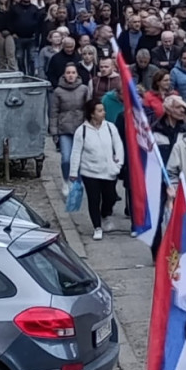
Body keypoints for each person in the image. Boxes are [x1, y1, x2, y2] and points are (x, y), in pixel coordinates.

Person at [69, 99, 125, 241]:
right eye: (100, 111)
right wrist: (73, 172)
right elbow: (76, 152)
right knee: (94, 199)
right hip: (90, 172)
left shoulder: (110, 127)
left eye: (103, 110)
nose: (103, 113)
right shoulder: (81, 131)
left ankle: (105, 214)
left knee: (110, 197)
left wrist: (118, 163)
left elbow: (118, 146)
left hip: (109, 170)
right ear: (92, 114)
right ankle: (97, 227)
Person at [50, 63, 90, 188]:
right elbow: (53, 112)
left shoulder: (84, 89)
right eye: (68, 73)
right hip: (64, 129)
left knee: (80, 158)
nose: (71, 75)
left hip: (81, 128)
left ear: (77, 74)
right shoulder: (58, 91)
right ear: (64, 75)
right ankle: (66, 180)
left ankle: (78, 181)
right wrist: (54, 132)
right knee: (66, 158)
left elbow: (89, 109)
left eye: (73, 72)